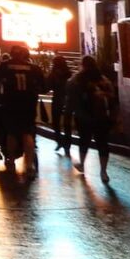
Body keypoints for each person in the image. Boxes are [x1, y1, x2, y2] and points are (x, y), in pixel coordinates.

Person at [0, 44, 46, 176]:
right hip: (28, 105)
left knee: (12, 132)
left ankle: (10, 160)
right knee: (27, 133)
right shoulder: (34, 68)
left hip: (10, 104)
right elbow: (43, 86)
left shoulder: (4, 66)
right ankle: (29, 165)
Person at [66, 55, 116, 183]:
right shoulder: (103, 79)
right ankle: (103, 172)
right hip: (102, 117)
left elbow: (72, 98)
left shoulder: (77, 80)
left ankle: (82, 164)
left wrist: (70, 114)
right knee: (103, 144)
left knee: (84, 141)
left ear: (83, 65)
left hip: (84, 117)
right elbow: (112, 98)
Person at [47, 55, 73, 155]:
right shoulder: (69, 73)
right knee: (67, 124)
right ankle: (67, 144)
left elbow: (48, 86)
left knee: (56, 123)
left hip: (57, 99)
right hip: (68, 100)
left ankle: (59, 141)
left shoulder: (53, 74)